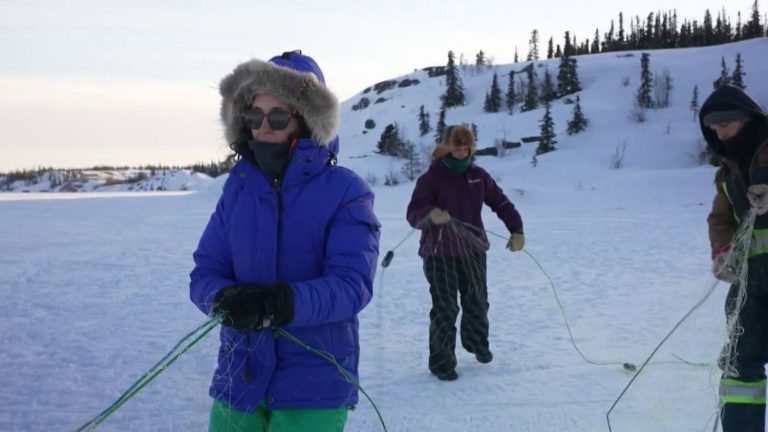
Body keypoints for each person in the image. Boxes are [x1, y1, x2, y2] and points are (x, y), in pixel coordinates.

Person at [189, 51, 380, 432]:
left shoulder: (346, 190)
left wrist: (280, 303)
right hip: (238, 381)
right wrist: (224, 299)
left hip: (314, 387)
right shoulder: (237, 190)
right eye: (254, 116)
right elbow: (205, 273)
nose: (264, 127)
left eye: (278, 116)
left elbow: (351, 285)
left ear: (307, 120)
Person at [405, 124, 524, 381]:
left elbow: (501, 203)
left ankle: (476, 344)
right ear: (446, 147)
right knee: (445, 308)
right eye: (456, 147)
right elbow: (413, 213)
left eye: (466, 147)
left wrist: (517, 230)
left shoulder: (479, 176)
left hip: (472, 249)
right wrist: (430, 215)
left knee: (477, 302)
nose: (461, 152)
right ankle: (442, 363)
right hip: (439, 252)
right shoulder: (430, 179)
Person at [702, 84, 768, 432]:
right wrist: (722, 251)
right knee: (740, 367)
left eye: (724, 126)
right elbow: (720, 218)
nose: (720, 134)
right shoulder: (728, 172)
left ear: (746, 119)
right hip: (750, 285)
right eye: (714, 130)